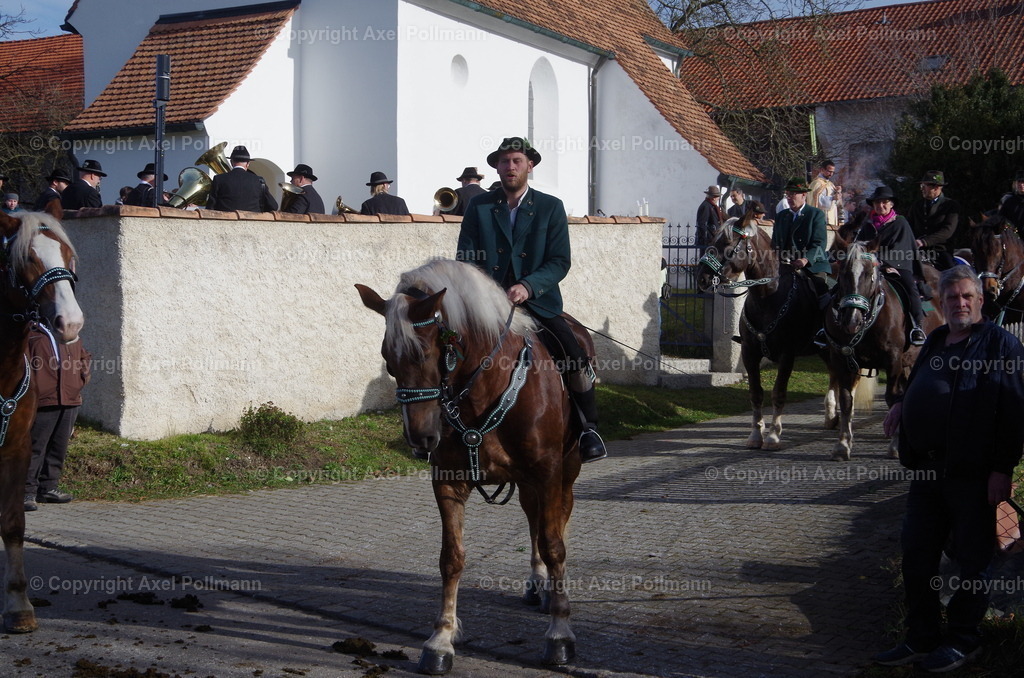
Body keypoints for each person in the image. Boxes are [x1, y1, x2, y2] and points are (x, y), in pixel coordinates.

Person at [875, 265, 1024, 673]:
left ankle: (964, 639)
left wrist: (1002, 470)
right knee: (917, 554)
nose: (959, 303)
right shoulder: (938, 337)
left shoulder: (1002, 346)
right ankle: (921, 636)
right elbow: (917, 378)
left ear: (979, 300)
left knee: (973, 561)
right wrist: (904, 404)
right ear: (940, 302)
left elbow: (1013, 412)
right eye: (952, 298)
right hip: (927, 473)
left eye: (967, 297)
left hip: (974, 475)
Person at [456, 136, 606, 463]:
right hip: (489, 306)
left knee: (573, 354)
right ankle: (446, 425)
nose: (510, 167)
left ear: (530, 166)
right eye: (504, 161)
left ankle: (588, 428)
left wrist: (528, 285)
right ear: (496, 167)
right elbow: (466, 258)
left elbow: (559, 261)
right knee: (449, 351)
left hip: (539, 303)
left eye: (517, 161)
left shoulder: (550, 207)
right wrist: (488, 292)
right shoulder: (479, 207)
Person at [23, 322, 92, 511]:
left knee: (58, 447)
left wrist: (82, 377)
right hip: (43, 400)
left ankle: (48, 488)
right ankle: (26, 492)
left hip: (70, 399)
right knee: (35, 447)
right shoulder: (31, 331)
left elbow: (84, 355)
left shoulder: (68, 330)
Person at [855, 186, 926, 345]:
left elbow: (900, 247)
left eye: (884, 202)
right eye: (877, 203)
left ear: (891, 204)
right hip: (869, 265)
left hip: (898, 264)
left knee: (910, 288)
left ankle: (917, 326)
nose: (880, 206)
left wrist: (883, 262)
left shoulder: (900, 223)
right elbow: (859, 245)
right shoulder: (868, 225)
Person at [771, 177, 830, 294]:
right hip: (786, 265)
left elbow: (819, 244)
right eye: (787, 194)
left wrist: (805, 259)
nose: (789, 198)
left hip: (812, 265)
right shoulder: (781, 216)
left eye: (793, 194)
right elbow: (775, 243)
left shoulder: (815, 214)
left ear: (804, 195)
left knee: (819, 288)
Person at [907, 170, 959, 271]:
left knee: (951, 274)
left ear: (936, 187)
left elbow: (947, 231)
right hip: (917, 250)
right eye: (921, 186)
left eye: (924, 186)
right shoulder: (916, 205)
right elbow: (909, 226)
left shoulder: (951, 206)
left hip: (940, 251)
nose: (921, 189)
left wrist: (924, 242)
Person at [205, 146, 278, 212]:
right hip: (253, 223)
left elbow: (210, 208)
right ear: (248, 163)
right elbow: (273, 206)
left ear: (231, 162)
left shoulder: (219, 179)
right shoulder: (259, 181)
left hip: (226, 223)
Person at [809, 159, 843, 239]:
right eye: (829, 171)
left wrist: (838, 193)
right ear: (822, 170)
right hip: (822, 219)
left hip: (832, 220)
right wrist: (832, 198)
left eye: (833, 172)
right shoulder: (816, 183)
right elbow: (817, 200)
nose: (831, 174)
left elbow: (836, 204)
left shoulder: (830, 184)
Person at [998, 169, 1024, 236]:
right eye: (1019, 182)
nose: (1021, 185)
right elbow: (1001, 219)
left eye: (1023, 182)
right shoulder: (1008, 200)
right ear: (1015, 183)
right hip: (1013, 238)